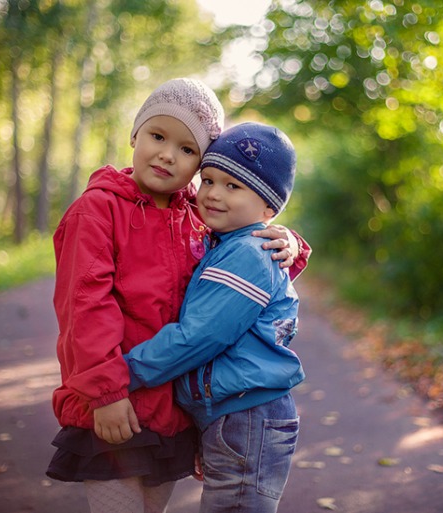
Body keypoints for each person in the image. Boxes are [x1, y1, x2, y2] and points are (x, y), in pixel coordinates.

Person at [46, 79, 310, 513]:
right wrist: (107, 392)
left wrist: (288, 242)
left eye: (189, 150)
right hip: (115, 400)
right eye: (157, 136)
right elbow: (84, 306)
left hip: (169, 408)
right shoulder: (97, 210)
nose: (168, 154)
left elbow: (241, 264)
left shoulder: (195, 214)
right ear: (135, 135)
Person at [122, 122, 305, 513]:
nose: (213, 194)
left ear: (269, 208)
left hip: (246, 416)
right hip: (232, 414)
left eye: (233, 186)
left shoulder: (248, 254)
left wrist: (122, 374)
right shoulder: (225, 245)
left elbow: (199, 336)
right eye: (208, 180)